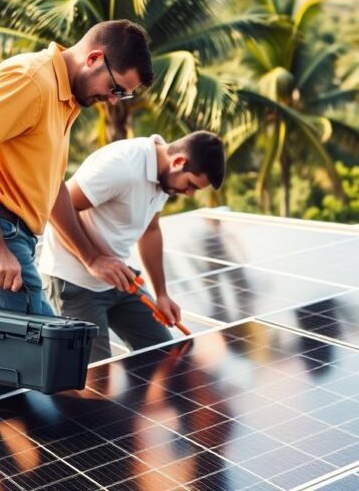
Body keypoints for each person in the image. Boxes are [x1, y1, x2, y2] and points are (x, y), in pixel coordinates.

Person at [0, 20, 153, 410]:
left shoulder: (64, 99)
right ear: (94, 59)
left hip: (8, 231)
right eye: (116, 88)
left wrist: (92, 257)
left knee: (5, 353)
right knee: (23, 347)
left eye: (124, 96)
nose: (115, 100)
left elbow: (52, 189)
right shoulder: (31, 80)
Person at [39, 131, 226, 362]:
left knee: (165, 357)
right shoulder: (123, 166)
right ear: (179, 162)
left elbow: (151, 230)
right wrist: (92, 260)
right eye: (191, 185)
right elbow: (56, 202)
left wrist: (161, 294)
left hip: (118, 280)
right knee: (96, 379)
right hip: (74, 283)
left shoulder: (164, 178)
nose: (189, 194)